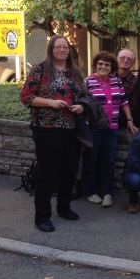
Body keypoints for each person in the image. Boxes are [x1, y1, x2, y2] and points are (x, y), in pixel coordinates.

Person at [20, 35, 86, 232]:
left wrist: (81, 106)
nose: (62, 50)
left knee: (69, 170)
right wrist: (51, 103)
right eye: (58, 47)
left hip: (71, 128)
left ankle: (64, 208)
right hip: (46, 128)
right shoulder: (40, 69)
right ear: (51, 49)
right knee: (48, 172)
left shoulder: (75, 71)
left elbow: (84, 96)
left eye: (65, 47)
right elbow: (26, 97)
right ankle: (42, 216)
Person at [83, 52, 138, 208]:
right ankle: (90, 192)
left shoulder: (116, 81)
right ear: (95, 65)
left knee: (109, 161)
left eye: (107, 65)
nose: (103, 67)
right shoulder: (87, 82)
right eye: (100, 64)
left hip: (112, 127)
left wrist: (129, 120)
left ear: (112, 67)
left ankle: (107, 193)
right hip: (93, 128)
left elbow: (124, 102)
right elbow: (82, 103)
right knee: (92, 160)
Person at [116, 48, 137, 128]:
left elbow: (133, 106)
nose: (125, 60)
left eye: (129, 59)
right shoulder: (108, 77)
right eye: (122, 58)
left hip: (123, 123)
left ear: (133, 63)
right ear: (116, 59)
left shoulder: (135, 82)